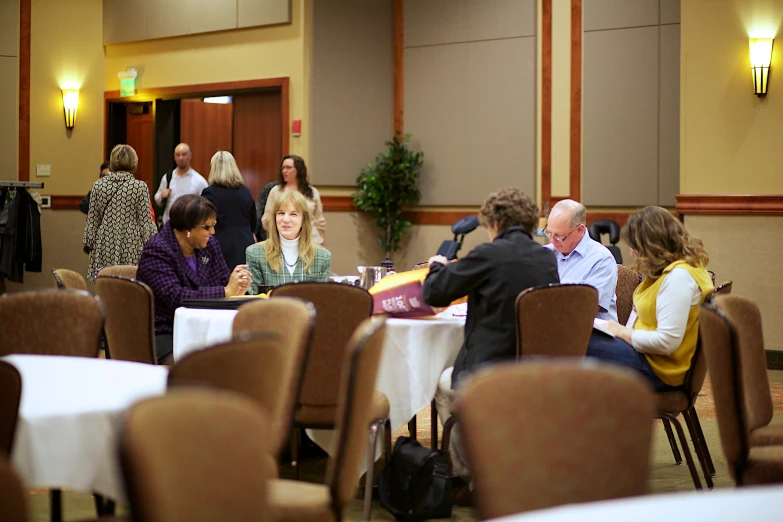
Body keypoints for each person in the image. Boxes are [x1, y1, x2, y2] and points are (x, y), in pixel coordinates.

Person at [423, 187, 560, 482]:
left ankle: (471, 477)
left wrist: (437, 266)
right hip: (537, 372)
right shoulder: (546, 259)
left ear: (495, 223)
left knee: (442, 382)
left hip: (488, 372)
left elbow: (434, 293)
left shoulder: (488, 254)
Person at [586, 206, 714, 391]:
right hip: (649, 358)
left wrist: (621, 332)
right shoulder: (676, 271)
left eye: (635, 247)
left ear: (652, 245)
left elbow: (667, 342)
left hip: (660, 369)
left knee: (576, 342)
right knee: (577, 339)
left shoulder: (679, 277)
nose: (632, 253)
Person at [137, 195, 252, 363]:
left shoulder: (209, 245)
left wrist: (238, 286)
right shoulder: (157, 250)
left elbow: (223, 280)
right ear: (187, 228)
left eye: (214, 225)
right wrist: (225, 291)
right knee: (206, 365)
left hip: (207, 328)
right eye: (207, 227)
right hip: (165, 332)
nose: (212, 232)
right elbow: (177, 297)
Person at [82, 145, 157, 281]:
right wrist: (153, 247)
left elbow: (92, 220)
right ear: (133, 162)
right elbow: (146, 224)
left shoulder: (98, 186)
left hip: (105, 243)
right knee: (130, 287)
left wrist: (90, 246)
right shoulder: (139, 187)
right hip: (132, 244)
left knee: (107, 287)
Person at [543, 199, 618, 321]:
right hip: (553, 328)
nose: (552, 241)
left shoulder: (601, 259)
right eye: (549, 233)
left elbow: (587, 309)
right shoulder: (545, 254)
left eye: (559, 236)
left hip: (593, 333)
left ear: (580, 230)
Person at [246, 190, 331, 291]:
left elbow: (321, 300)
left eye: (293, 214)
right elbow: (255, 301)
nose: (285, 219)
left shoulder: (322, 257)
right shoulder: (255, 254)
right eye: (281, 213)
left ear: (304, 220)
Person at [200, 151, 256, 269]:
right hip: (246, 244)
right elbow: (253, 222)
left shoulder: (209, 193)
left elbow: (203, 223)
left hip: (221, 245)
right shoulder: (245, 191)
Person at [261, 155, 326, 244]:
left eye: (288, 167)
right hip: (283, 242)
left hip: (311, 241)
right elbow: (266, 220)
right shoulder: (276, 191)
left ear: (299, 170)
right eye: (283, 168)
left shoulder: (313, 192)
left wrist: (322, 241)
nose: (284, 171)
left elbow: (320, 220)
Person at [153, 143, 208, 224]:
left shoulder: (199, 181)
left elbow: (206, 206)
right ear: (174, 157)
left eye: (184, 154)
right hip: (169, 226)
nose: (181, 158)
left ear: (190, 156)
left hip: (190, 226)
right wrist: (161, 195)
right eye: (178, 155)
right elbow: (157, 199)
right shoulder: (168, 177)